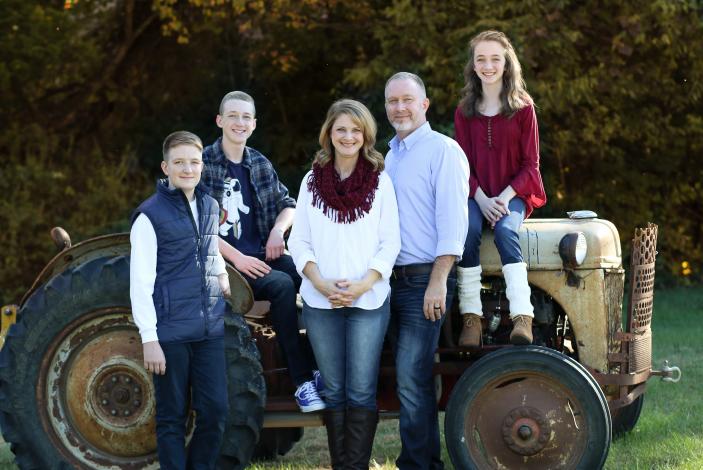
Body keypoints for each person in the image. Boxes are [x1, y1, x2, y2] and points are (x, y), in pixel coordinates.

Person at [289, 99, 401, 469]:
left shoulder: (380, 182)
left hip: (367, 300)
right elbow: (299, 241)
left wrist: (362, 285)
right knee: (335, 390)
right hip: (321, 302)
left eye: (355, 130)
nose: (348, 136)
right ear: (329, 134)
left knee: (361, 390)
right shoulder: (310, 181)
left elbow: (390, 242)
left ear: (365, 135)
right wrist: (320, 283)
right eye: (341, 129)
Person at [200, 91, 324, 412]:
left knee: (310, 273)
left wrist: (277, 231)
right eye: (233, 116)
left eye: (245, 117)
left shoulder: (258, 162)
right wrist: (237, 258)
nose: (239, 122)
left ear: (253, 125)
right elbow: (194, 224)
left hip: (259, 255)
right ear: (220, 121)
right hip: (222, 265)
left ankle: (323, 366)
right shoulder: (203, 163)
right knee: (281, 286)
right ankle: (302, 383)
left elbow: (289, 206)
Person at [384, 72, 470, 470]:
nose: (399, 108)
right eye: (392, 102)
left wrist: (438, 281)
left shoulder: (443, 151)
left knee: (411, 376)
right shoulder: (388, 155)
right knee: (407, 376)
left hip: (424, 279)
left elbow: (453, 223)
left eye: (407, 100)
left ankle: (418, 465)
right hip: (387, 280)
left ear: (424, 105)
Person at [130, 131, 230, 469]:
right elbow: (140, 283)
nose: (188, 169)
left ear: (203, 165)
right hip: (170, 334)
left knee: (216, 411)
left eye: (194, 162)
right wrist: (149, 339)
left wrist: (224, 280)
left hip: (209, 330)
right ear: (166, 167)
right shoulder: (149, 216)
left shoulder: (210, 206)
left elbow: (212, 254)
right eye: (179, 163)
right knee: (171, 418)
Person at [453, 30, 547, 347]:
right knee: (465, 230)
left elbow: (530, 166)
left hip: (513, 194)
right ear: (473, 65)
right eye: (481, 59)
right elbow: (462, 166)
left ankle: (523, 316)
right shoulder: (464, 111)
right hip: (475, 193)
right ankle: (471, 317)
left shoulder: (523, 109)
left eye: (495, 59)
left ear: (506, 64)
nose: (488, 65)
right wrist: (480, 199)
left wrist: (504, 199)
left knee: (507, 231)